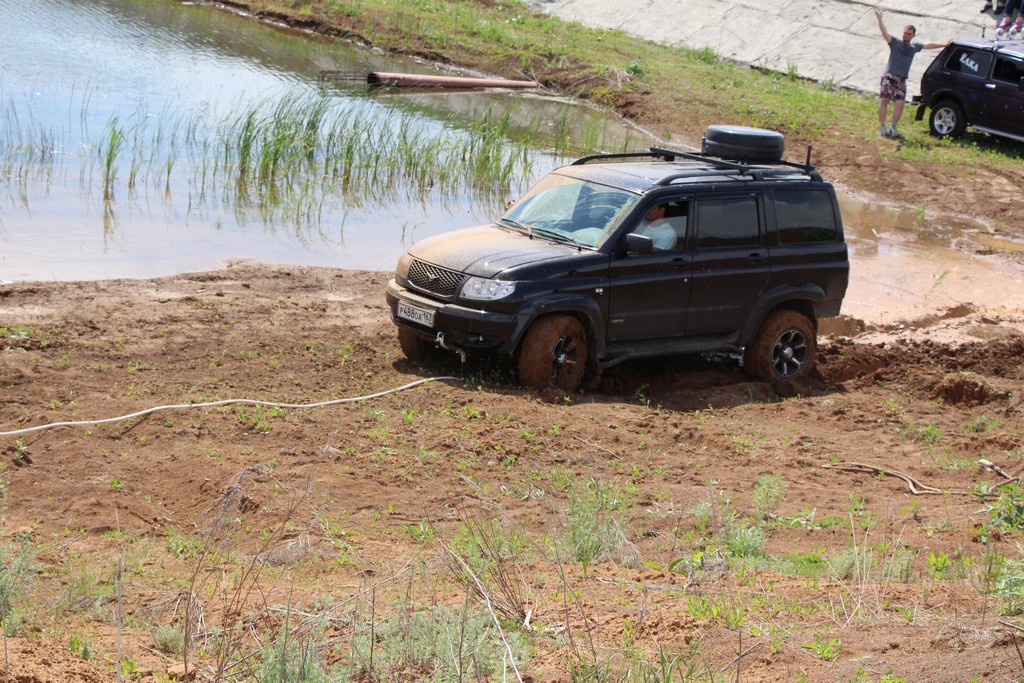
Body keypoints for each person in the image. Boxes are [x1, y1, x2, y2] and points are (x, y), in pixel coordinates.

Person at [875, 9, 949, 138]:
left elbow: (928, 45)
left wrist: (944, 45)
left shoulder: (914, 47)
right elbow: (884, 33)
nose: (906, 35)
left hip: (902, 80)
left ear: (913, 35)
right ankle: (882, 127)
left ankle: (893, 128)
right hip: (889, 77)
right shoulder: (895, 43)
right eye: (905, 33)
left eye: (909, 34)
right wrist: (880, 20)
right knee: (885, 101)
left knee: (900, 104)